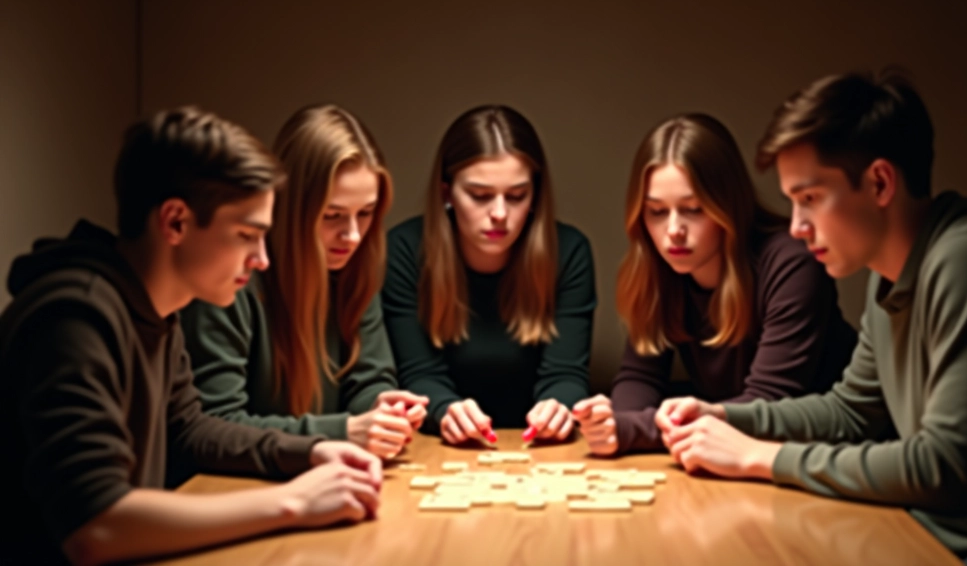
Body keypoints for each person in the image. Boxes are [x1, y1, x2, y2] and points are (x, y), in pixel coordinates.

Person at [655, 71, 967, 564]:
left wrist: (763, 457)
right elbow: (850, 412)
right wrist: (723, 415)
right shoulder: (888, 276)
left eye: (809, 199)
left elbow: (946, 468)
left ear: (879, 182)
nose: (796, 227)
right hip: (919, 531)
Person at [0, 107, 383, 565]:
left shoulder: (155, 309)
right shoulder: (75, 318)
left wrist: (315, 450)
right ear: (176, 222)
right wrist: (294, 503)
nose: (263, 259)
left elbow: (191, 430)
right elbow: (95, 525)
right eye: (246, 235)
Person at [574, 113, 855, 456]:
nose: (673, 230)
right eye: (657, 212)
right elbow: (640, 378)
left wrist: (631, 427)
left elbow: (767, 404)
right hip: (735, 456)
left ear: (728, 205)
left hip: (823, 456)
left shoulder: (792, 262)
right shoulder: (661, 269)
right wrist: (611, 423)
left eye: (693, 209)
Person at [181, 104, 427, 460]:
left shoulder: (355, 270)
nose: (353, 235)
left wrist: (380, 409)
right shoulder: (231, 281)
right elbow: (215, 425)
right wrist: (342, 431)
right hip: (236, 487)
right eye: (332, 215)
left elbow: (367, 379)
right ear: (289, 207)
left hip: (324, 475)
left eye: (366, 213)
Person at [383, 105, 596, 445]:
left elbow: (565, 373)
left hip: (540, 449)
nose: (499, 213)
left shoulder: (568, 252)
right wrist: (444, 410)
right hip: (439, 448)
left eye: (516, 196)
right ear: (447, 193)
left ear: (536, 195)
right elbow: (418, 373)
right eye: (480, 196)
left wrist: (558, 407)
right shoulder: (405, 250)